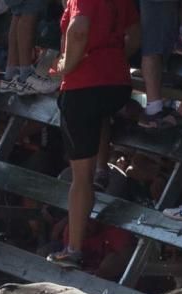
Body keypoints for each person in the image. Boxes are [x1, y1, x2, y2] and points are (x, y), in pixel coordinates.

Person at [45, 0, 140, 269]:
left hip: (83, 86)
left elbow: (78, 30)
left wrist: (67, 65)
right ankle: (102, 168)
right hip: (117, 82)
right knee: (99, 120)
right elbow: (135, 34)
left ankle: (73, 249)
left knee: (79, 179)